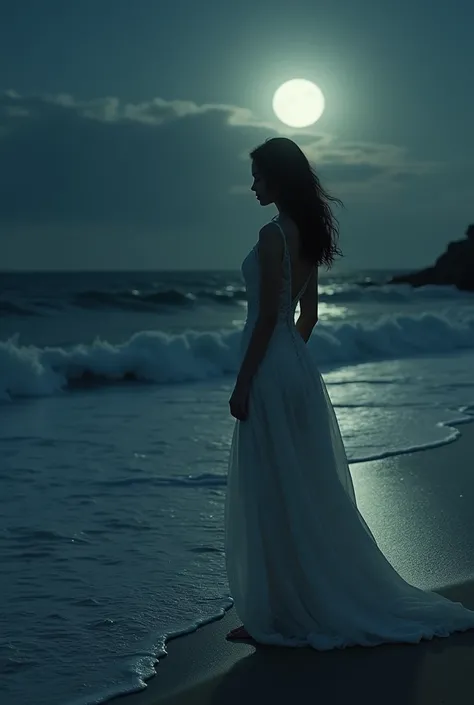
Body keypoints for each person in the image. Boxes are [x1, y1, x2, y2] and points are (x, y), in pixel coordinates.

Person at [224, 136, 474, 646]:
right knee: (303, 486)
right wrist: (289, 359)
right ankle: (293, 606)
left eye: (258, 175)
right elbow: (305, 316)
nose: (252, 185)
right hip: (296, 367)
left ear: (277, 177)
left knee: (273, 488)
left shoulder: (272, 236)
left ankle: (277, 614)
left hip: (272, 370)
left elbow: (270, 316)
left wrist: (246, 381)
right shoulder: (309, 234)